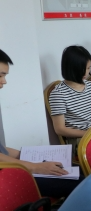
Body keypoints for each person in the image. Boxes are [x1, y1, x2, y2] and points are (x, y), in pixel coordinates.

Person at [0, 49, 80, 198]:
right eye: (0, 75)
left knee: (78, 172)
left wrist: (27, 155)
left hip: (11, 166)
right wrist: (35, 167)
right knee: (78, 184)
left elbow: (2, 150)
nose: (4, 81)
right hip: (6, 174)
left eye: (5, 75)